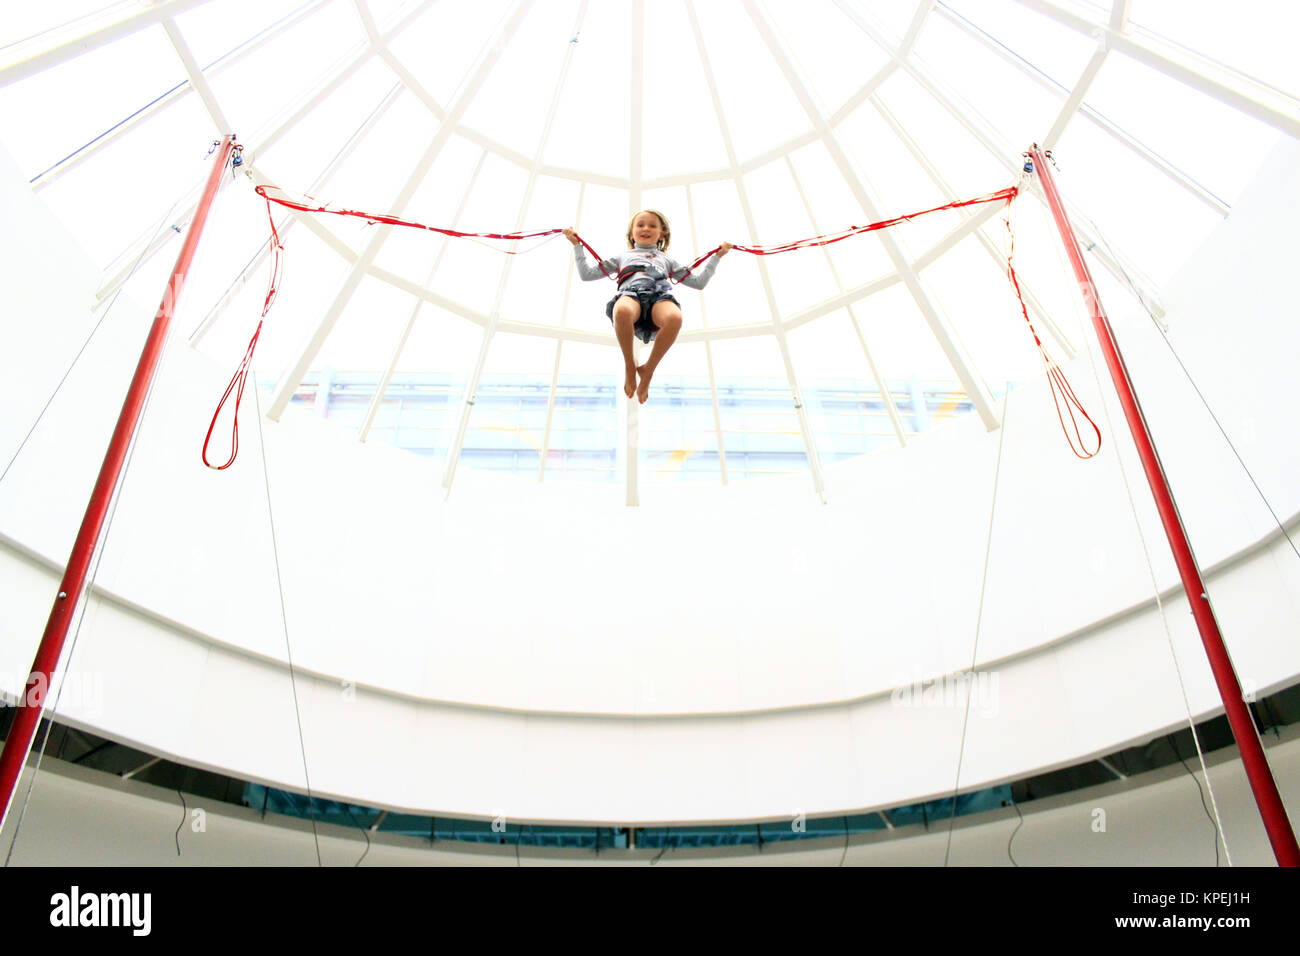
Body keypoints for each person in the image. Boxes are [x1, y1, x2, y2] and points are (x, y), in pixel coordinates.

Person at [564, 209, 731, 403]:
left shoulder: (667, 260)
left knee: (675, 318)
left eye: (652, 226)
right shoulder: (621, 257)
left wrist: (717, 257)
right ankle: (630, 365)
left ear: (662, 234)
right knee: (622, 310)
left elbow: (698, 282)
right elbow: (587, 274)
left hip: (659, 296)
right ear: (631, 232)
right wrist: (577, 245)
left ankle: (648, 370)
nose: (646, 229)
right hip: (631, 294)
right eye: (640, 225)